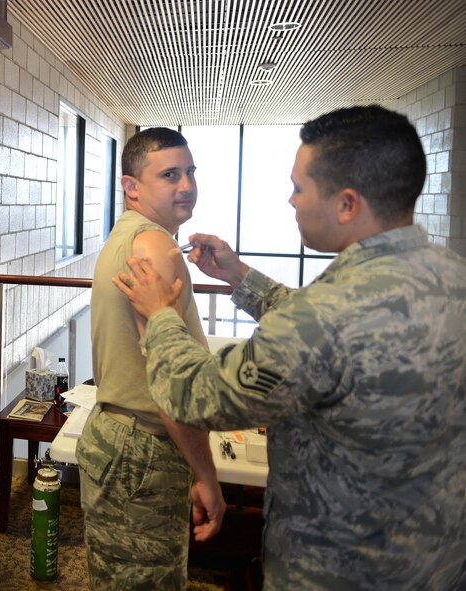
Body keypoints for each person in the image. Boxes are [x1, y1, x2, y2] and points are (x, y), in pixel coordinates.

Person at [115, 105, 466, 590]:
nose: (291, 201)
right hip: (438, 563)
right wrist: (240, 278)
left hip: (338, 570)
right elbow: (328, 325)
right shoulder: (452, 279)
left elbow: (195, 394)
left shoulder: (326, 315)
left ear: (346, 204)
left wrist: (159, 317)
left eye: (300, 188)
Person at [77, 127, 225, 590]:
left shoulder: (126, 237)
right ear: (131, 186)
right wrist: (206, 475)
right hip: (143, 447)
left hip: (118, 436)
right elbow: (169, 384)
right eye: (169, 175)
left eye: (190, 172)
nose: (186, 185)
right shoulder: (154, 246)